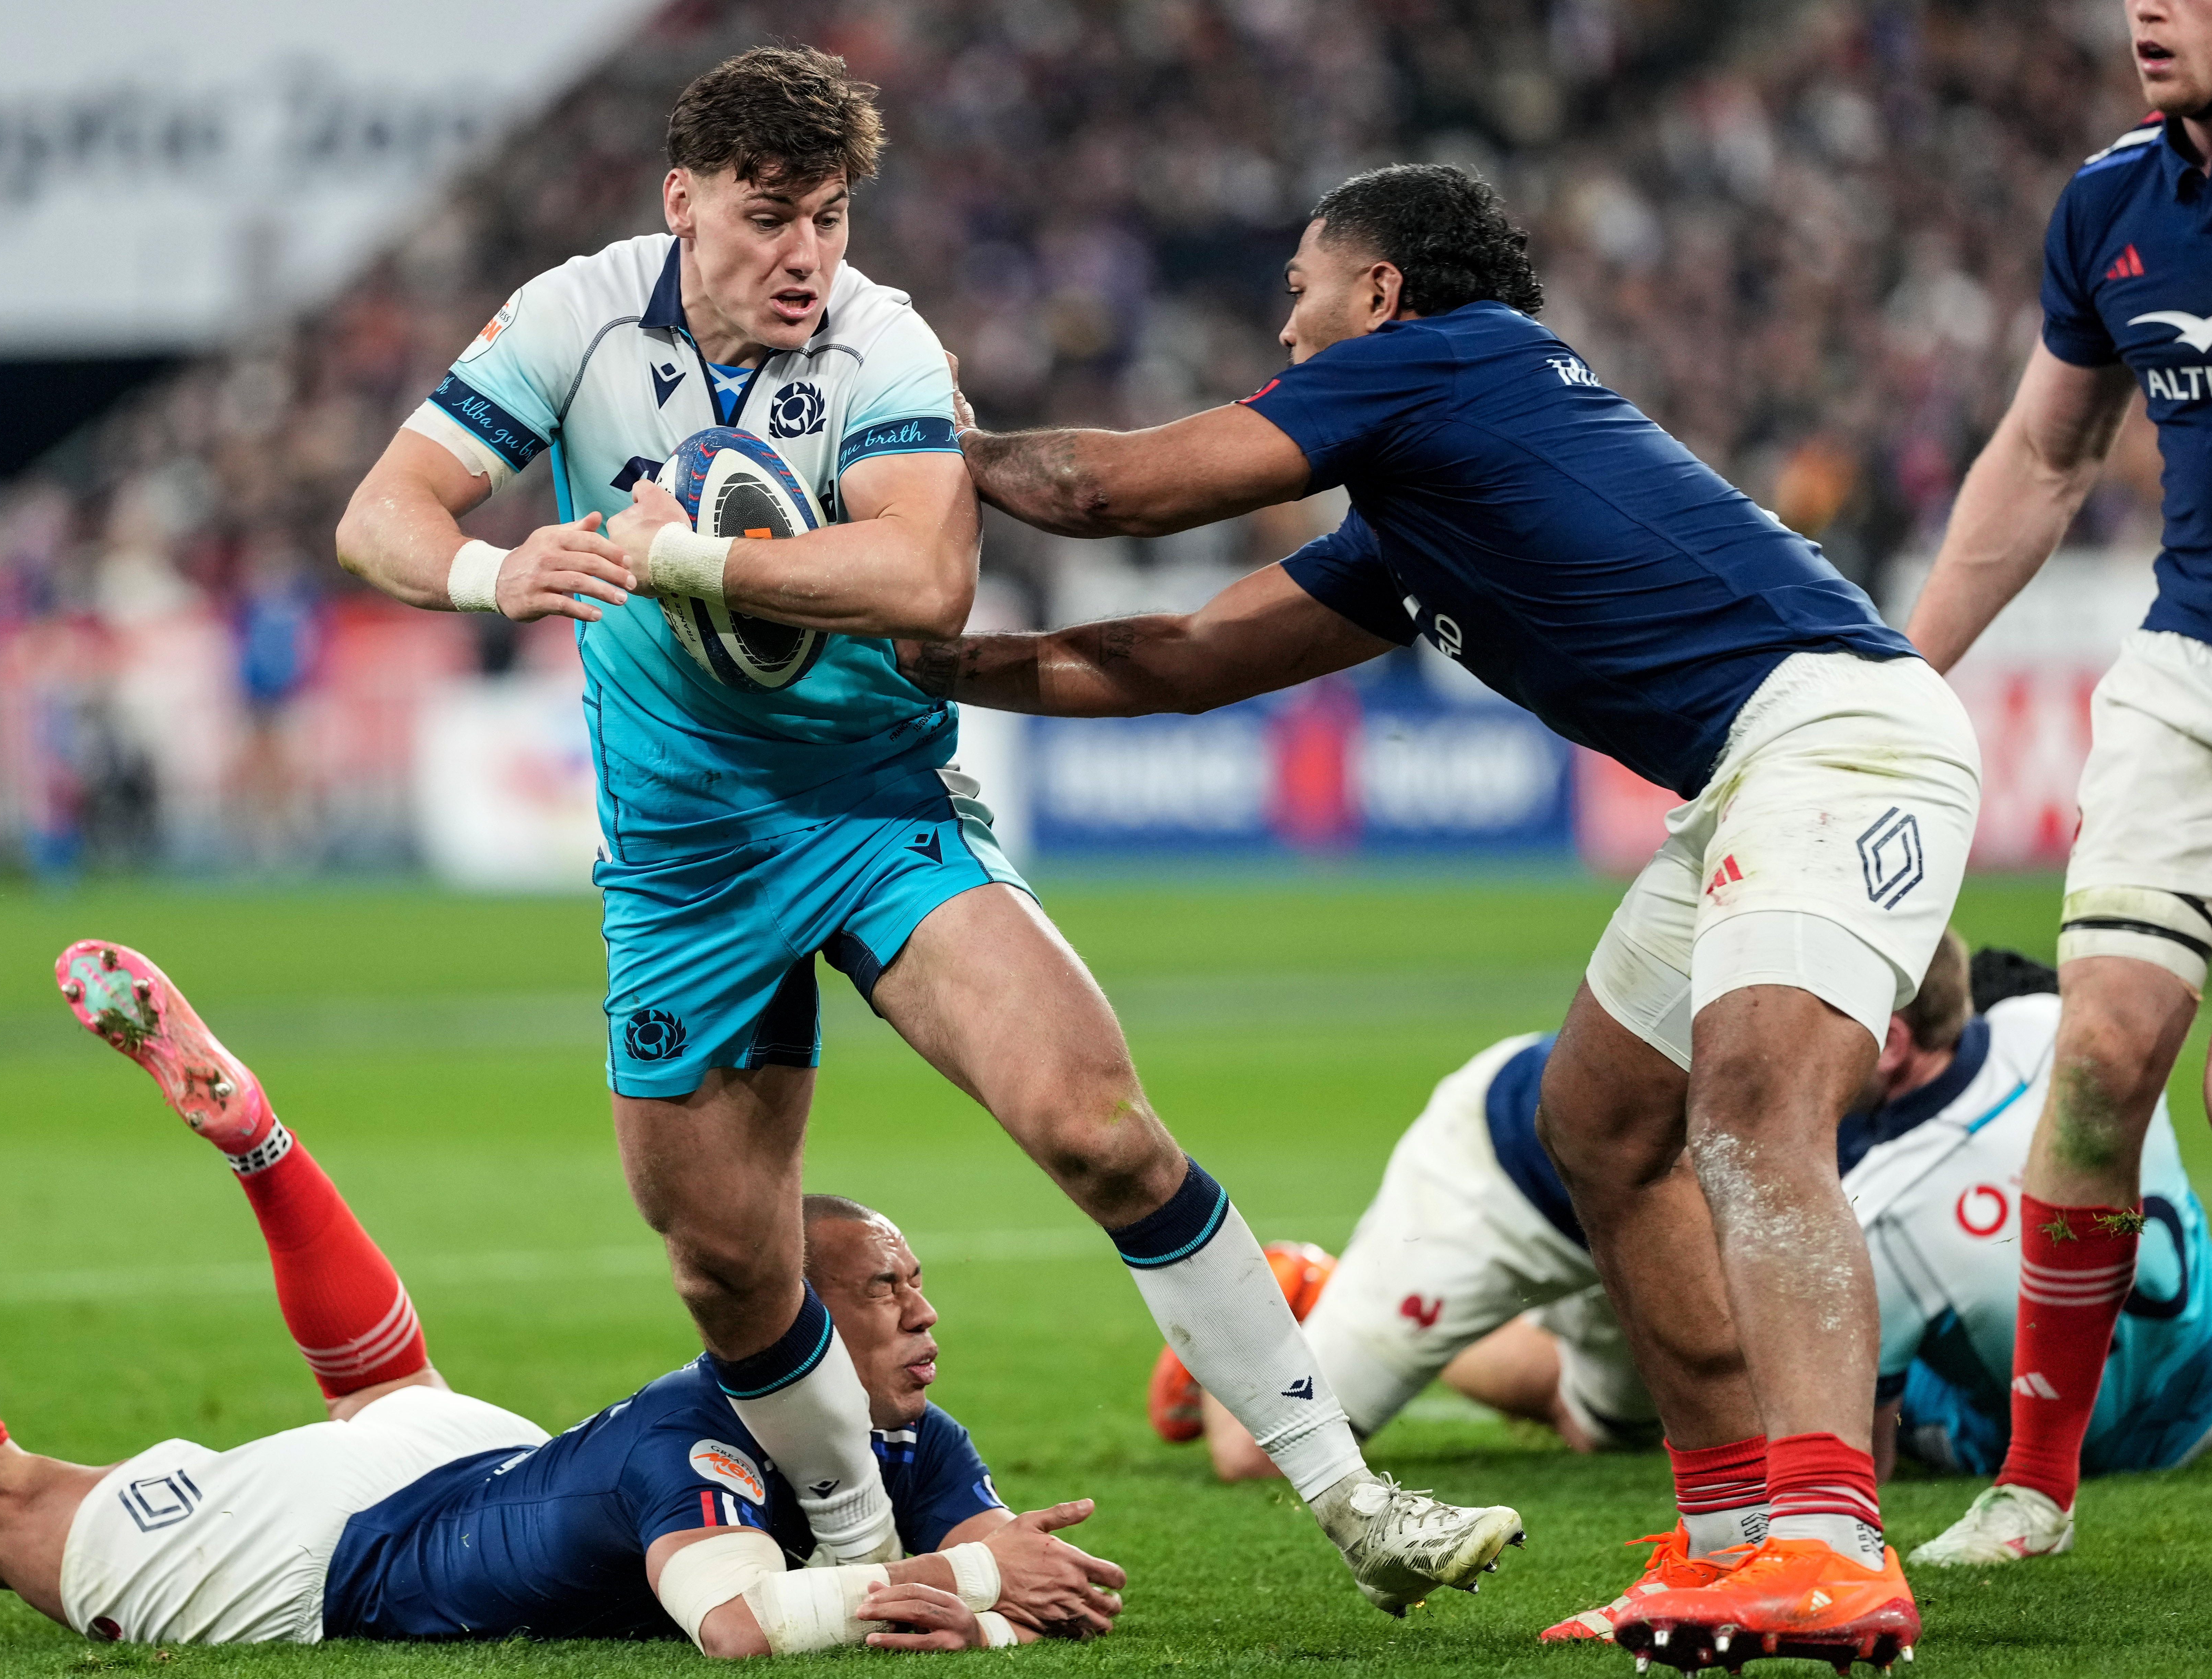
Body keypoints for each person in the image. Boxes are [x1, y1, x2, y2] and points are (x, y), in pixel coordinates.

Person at [331, 45, 1517, 1611]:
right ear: (682, 205)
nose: (804, 257)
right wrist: (500, 572)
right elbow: (383, 514)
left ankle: (1351, 1499)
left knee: (1095, 1121)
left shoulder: (882, 343)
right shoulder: (576, 314)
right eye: (767, 219)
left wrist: (683, 558)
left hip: (873, 803)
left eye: (827, 217)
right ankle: (852, 1553)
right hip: (682, 861)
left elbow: (920, 583)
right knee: (727, 1266)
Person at [901, 162, 1983, 1669]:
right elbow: (1176, 660)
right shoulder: (1427, 494)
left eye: (1300, 287)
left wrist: (903, 451)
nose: (1283, 327)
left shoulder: (1448, 361)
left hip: (1836, 739)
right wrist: (919, 663)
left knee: (1747, 1116)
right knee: (1600, 1125)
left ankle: (1830, 1547)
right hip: (1747, 772)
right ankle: (1737, 1540)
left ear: (1382, 295)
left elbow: (1104, 491)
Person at [0, 939, 1129, 1654]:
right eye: (889, 1289)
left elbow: (962, 1529)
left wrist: (991, 1555)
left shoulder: (901, 1428)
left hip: (466, 1450)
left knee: (389, 1385)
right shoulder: (702, 1447)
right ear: (799, 1307)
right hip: (341, 1548)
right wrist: (973, 1594)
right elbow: (736, 1627)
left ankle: (262, 1141)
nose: (925, 1317)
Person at [1153, 939, 2212, 1636]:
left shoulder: (1879, 1135)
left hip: (1665, 1215)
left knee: (1600, 1419)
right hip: (1511, 1179)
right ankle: (1311, 1288)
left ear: (1891, 1041)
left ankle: (1467, 1327)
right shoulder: (1986, 1035)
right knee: (1250, 1452)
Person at [1896, 0, 2212, 1569]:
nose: (2148, 13)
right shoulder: (2110, 204)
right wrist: (1888, 673)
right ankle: (2032, 1485)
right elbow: (2040, 457)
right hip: (2184, 670)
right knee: (2096, 1061)